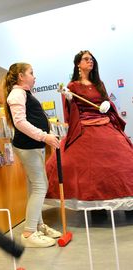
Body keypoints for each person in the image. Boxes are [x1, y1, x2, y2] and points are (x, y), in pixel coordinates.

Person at [45, 50, 133, 212]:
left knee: (125, 161)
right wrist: (69, 99)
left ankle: (126, 200)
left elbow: (107, 103)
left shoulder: (99, 84)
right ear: (78, 63)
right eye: (86, 59)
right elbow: (71, 111)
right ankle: (94, 206)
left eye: (91, 59)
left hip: (105, 125)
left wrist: (108, 105)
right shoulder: (72, 86)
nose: (90, 61)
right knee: (86, 166)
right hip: (84, 128)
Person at [3, 63, 61, 248]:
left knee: (35, 186)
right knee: (40, 186)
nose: (34, 76)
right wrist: (44, 136)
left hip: (34, 146)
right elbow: (20, 122)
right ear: (21, 76)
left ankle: (38, 225)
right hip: (28, 146)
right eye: (31, 73)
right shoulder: (17, 94)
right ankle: (29, 233)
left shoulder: (24, 93)